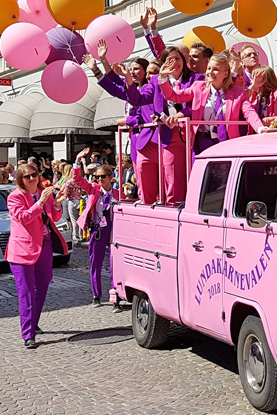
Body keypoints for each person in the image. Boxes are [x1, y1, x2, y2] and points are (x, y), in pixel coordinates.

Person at [99, 46, 200, 205]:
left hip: (192, 133)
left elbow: (196, 104)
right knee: (164, 176)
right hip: (168, 134)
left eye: (177, 59)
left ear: (184, 60)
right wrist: (127, 77)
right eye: (169, 60)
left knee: (181, 177)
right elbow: (137, 99)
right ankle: (168, 207)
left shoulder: (196, 79)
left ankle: (179, 206)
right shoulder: (156, 81)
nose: (174, 63)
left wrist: (179, 116)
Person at [5, 162, 68, 349]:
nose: (32, 178)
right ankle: (28, 334)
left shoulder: (44, 193)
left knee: (42, 286)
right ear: (21, 180)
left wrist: (57, 204)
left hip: (44, 247)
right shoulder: (15, 197)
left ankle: (33, 322)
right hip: (22, 251)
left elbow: (54, 217)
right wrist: (40, 202)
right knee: (27, 292)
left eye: (34, 174)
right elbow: (24, 218)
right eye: (27, 176)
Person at [159, 53, 249, 156]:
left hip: (227, 141)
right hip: (203, 142)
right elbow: (173, 96)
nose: (210, 72)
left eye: (215, 69)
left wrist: (260, 128)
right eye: (209, 68)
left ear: (225, 74)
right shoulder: (198, 87)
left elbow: (249, 112)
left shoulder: (238, 91)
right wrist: (163, 77)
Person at [71, 151, 122, 308]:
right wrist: (78, 161)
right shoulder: (93, 189)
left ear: (110, 177)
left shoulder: (118, 194)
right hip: (98, 230)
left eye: (102, 177)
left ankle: (116, 296)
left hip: (114, 231)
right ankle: (96, 295)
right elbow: (78, 179)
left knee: (116, 263)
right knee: (95, 263)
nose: (99, 180)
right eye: (97, 177)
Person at [241, 66, 277, 134]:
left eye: (254, 78)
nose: (251, 81)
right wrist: (253, 86)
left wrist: (273, 120)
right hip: (256, 137)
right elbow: (240, 100)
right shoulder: (252, 96)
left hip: (275, 137)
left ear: (263, 81)